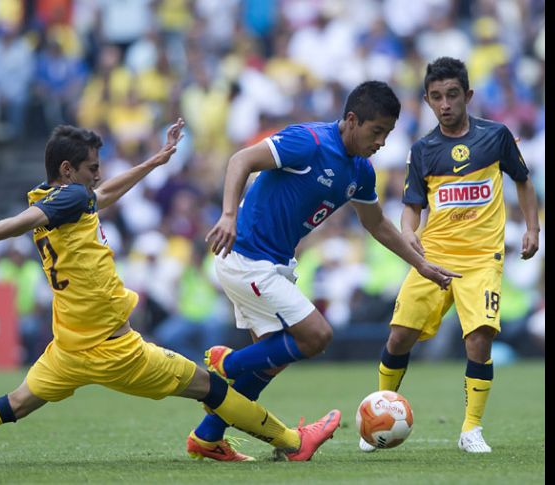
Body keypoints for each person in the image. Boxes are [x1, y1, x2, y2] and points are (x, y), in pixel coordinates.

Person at [0, 119, 342, 467]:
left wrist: (154, 161)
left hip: (68, 348)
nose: (99, 175)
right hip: (115, 351)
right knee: (211, 388)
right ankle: (291, 441)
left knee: (13, 403)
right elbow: (23, 220)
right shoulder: (66, 200)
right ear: (68, 171)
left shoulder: (69, 199)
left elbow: (103, 194)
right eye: (92, 167)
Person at [191, 81, 460, 461]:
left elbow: (377, 223)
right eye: (376, 131)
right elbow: (241, 160)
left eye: (388, 133)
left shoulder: (361, 171)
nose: (381, 141)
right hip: (247, 257)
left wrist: (421, 264)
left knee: (271, 360)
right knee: (316, 336)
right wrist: (229, 214)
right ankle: (227, 363)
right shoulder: (309, 142)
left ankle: (207, 438)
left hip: (276, 264)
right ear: (352, 120)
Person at [358, 57, 540, 454]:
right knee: (399, 335)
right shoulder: (422, 151)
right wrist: (408, 231)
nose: (445, 104)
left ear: (468, 96)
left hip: (481, 258)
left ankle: (471, 428)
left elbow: (524, 181)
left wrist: (532, 228)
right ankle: (379, 415)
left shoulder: (496, 137)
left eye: (452, 95)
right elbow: (412, 205)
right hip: (435, 255)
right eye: (437, 97)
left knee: (479, 339)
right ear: (427, 100)